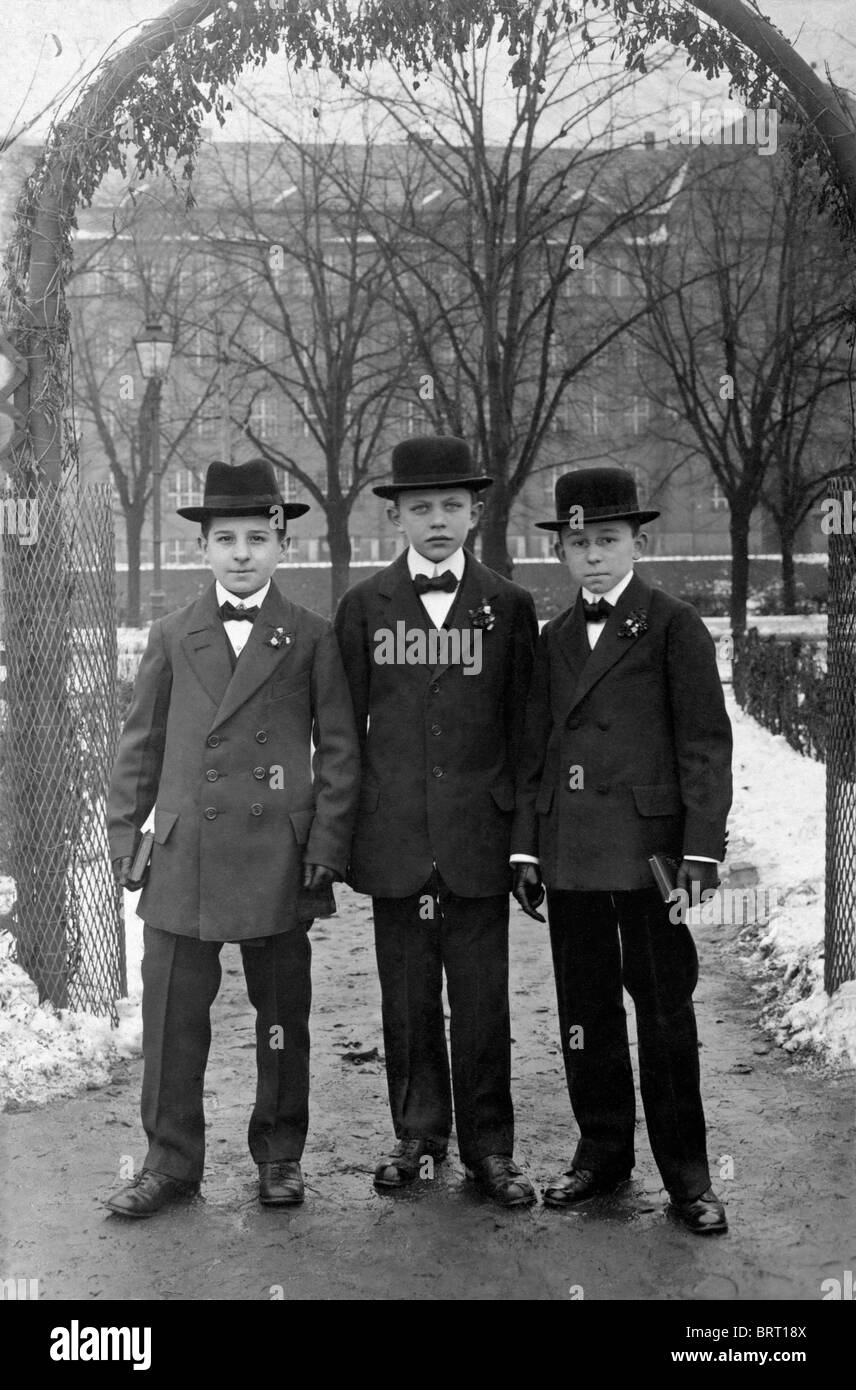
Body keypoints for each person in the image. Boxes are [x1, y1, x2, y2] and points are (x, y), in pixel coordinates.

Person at [105, 459, 360, 1218]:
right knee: (172, 1020)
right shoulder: (172, 633)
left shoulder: (312, 636)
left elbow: (341, 751)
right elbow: (139, 747)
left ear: (282, 544)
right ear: (204, 549)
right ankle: (169, 1161)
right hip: (185, 857)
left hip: (278, 859)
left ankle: (280, 1156)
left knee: (283, 1017)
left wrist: (325, 850)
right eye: (226, 538)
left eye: (257, 536)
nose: (242, 552)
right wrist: (128, 841)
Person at [511, 467, 733, 1234]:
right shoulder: (554, 638)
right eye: (578, 544)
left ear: (637, 542)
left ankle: (688, 1178)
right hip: (572, 856)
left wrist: (700, 854)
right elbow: (535, 747)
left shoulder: (672, 625)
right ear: (563, 553)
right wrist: (526, 853)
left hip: (651, 859)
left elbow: (705, 744)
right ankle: (602, 1154)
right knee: (585, 1013)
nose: (593, 556)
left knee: (665, 1014)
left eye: (606, 540)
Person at [334, 436, 538, 1207]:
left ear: (477, 511)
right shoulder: (364, 608)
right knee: (408, 995)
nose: (439, 520)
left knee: (483, 999)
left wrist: (524, 845)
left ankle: (492, 1147)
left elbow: (526, 731)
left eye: (453, 505)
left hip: (479, 841)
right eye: (422, 507)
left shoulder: (509, 606)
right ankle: (418, 1133)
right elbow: (345, 730)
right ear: (396, 516)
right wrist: (349, 836)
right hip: (397, 841)